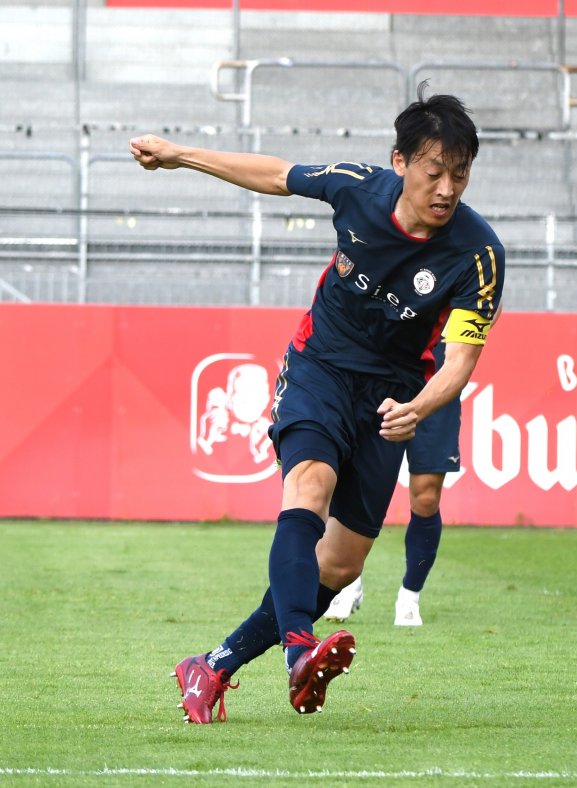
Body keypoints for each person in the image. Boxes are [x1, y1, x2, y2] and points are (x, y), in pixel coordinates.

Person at [130, 86, 505, 724]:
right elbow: (275, 174)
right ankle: (300, 651)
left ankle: (212, 666)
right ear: (400, 162)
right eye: (434, 171)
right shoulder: (355, 187)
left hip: (390, 395)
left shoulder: (478, 253)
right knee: (309, 483)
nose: (447, 188)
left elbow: (462, 360)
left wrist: (418, 406)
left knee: (340, 561)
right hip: (319, 366)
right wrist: (179, 155)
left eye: (460, 175)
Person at [322, 338, 462, 627]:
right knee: (352, 480)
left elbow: (488, 306)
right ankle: (348, 584)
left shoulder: (463, 290)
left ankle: (409, 597)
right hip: (379, 367)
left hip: (436, 374)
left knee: (426, 496)